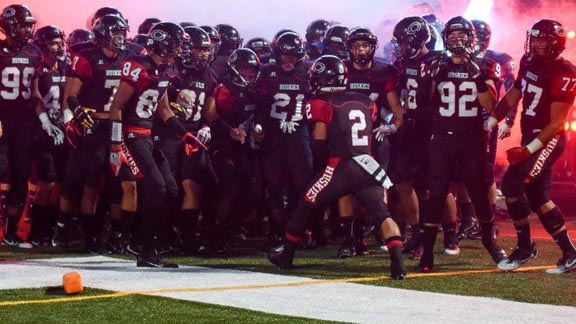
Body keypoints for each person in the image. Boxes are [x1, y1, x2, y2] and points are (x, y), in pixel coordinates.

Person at [267, 55, 406, 280]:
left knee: (304, 205)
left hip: (339, 167)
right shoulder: (365, 101)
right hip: (368, 165)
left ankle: (286, 257)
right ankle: (398, 264)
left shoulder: (321, 103)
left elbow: (320, 140)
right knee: (382, 214)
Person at [420, 16, 506, 272]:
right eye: (452, 36)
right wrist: (430, 79)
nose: (457, 41)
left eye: (462, 36)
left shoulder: (486, 65)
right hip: (443, 138)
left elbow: (492, 107)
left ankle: (490, 243)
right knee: (436, 194)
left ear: (471, 38)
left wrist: (477, 75)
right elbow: (426, 101)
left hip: (472, 140)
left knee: (479, 194)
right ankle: (427, 252)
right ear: (445, 38)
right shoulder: (437, 63)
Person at [491, 19, 576, 274]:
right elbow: (514, 94)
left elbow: (557, 124)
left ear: (555, 44)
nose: (536, 43)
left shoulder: (565, 72)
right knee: (539, 198)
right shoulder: (529, 62)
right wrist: (492, 118)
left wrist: (527, 151)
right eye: (535, 38)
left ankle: (525, 246)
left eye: (542, 40)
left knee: (511, 185)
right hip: (532, 136)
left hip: (549, 138)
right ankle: (570, 253)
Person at [108, 22, 188, 267]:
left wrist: (185, 135)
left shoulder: (165, 70)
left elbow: (164, 110)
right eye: (175, 44)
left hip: (148, 134)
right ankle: (144, 248)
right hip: (131, 134)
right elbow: (116, 107)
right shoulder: (138, 67)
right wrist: (115, 144)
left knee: (171, 189)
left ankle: (145, 241)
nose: (179, 49)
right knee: (157, 187)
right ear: (163, 44)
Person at [0, 4, 43, 248]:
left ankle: (12, 231)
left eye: (29, 24)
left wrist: (44, 119)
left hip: (24, 120)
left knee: (21, 174)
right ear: (10, 25)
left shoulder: (35, 52)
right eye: (24, 24)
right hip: (2, 117)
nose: (28, 29)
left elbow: (35, 92)